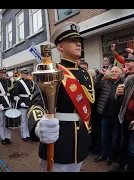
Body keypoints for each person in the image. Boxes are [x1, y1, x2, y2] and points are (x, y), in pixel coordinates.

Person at [27, 22, 95, 172]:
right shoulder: (52, 71)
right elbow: (36, 103)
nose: (78, 43)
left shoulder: (86, 74)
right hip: (57, 141)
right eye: (72, 41)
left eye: (79, 41)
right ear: (60, 47)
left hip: (80, 143)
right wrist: (39, 125)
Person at [110, 56, 134, 172]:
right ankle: (121, 165)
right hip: (125, 119)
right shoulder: (130, 79)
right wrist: (117, 94)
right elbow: (118, 98)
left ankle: (131, 169)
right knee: (123, 144)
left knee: (133, 149)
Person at [93, 66, 124, 166]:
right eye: (112, 71)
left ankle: (110, 157)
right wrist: (101, 74)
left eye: (116, 71)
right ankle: (103, 155)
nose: (114, 73)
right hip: (105, 115)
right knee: (104, 137)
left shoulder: (123, 84)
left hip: (117, 116)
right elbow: (95, 85)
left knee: (114, 138)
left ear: (120, 74)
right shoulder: (105, 82)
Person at [12, 68, 35, 142]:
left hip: (29, 103)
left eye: (27, 74)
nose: (25, 75)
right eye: (24, 74)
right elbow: (15, 95)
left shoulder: (31, 82)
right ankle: (23, 135)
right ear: (21, 74)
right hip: (22, 103)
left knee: (29, 120)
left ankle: (28, 135)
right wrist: (20, 102)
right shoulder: (18, 83)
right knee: (23, 120)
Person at [0, 67, 14, 145]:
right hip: (1, 104)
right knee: (1, 122)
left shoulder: (9, 82)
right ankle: (3, 138)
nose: (3, 74)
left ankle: (8, 137)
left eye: (4, 73)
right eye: (1, 73)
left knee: (8, 122)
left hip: (8, 103)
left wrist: (14, 97)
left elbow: (11, 93)